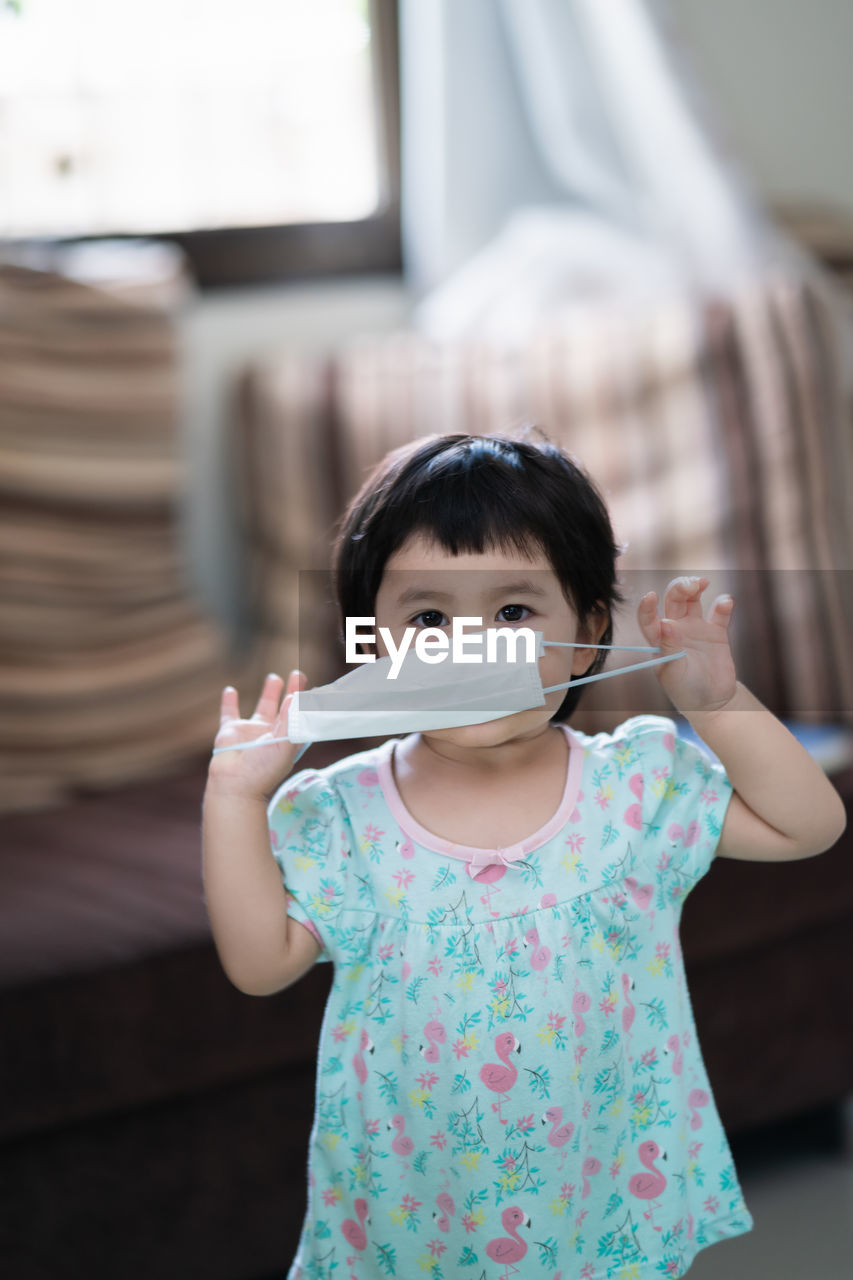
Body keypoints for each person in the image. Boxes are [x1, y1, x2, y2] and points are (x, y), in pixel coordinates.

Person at [202, 430, 846, 1280]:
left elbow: (809, 827)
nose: (473, 647)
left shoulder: (636, 786)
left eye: (512, 613)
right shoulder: (341, 815)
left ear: (584, 637)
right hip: (409, 1205)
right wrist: (234, 795)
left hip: (602, 1186)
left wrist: (717, 701)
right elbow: (259, 966)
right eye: (428, 618)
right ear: (374, 648)